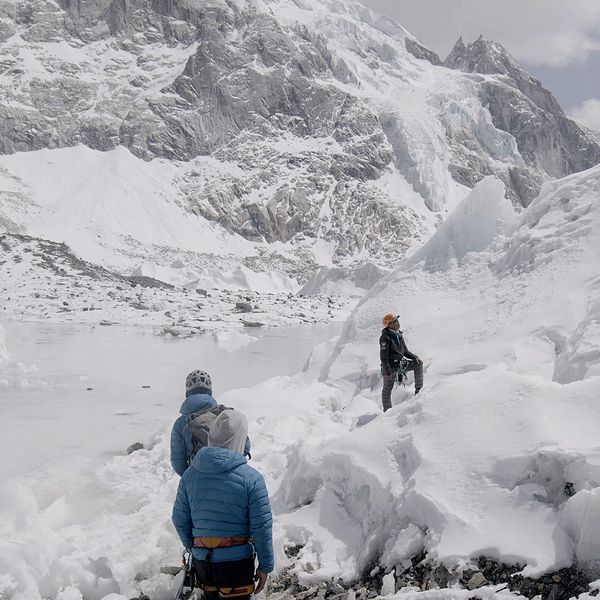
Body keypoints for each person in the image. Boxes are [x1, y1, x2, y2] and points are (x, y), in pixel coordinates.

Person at [172, 410, 274, 599]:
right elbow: (262, 527)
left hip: (204, 564)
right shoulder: (251, 478)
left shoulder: (189, 476)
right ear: (241, 439)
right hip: (237, 565)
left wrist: (194, 548)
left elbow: (179, 519)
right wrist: (266, 565)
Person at [170, 369, 251, 476]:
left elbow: (178, 462)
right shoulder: (224, 415)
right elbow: (245, 445)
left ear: (187, 393)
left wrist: (190, 479)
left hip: (198, 479)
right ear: (210, 392)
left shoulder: (180, 423)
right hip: (230, 476)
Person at [380, 313, 424, 411]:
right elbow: (384, 357)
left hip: (400, 364)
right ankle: (387, 411)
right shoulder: (385, 338)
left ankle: (419, 390)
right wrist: (387, 372)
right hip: (390, 367)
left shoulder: (398, 334)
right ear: (389, 325)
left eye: (397, 320)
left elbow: (405, 351)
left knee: (418, 364)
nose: (397, 322)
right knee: (387, 389)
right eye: (395, 321)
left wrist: (415, 357)